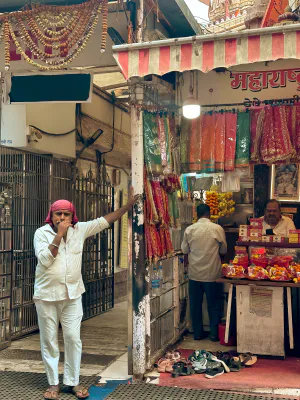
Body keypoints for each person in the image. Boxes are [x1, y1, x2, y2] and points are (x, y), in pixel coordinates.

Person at [33, 188, 138, 400]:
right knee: (49, 340)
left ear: (73, 217)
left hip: (72, 295)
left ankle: (72, 381)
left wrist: (127, 206)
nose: (62, 218)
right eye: (58, 214)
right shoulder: (41, 233)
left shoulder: (80, 230)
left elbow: (105, 220)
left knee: (73, 338)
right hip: (46, 296)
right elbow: (45, 259)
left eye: (66, 214)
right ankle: (53, 383)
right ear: (51, 216)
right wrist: (60, 235)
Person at [181, 204, 227, 342]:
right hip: (212, 273)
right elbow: (223, 249)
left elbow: (184, 250)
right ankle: (214, 334)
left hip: (194, 274)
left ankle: (197, 333)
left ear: (196, 213)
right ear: (209, 213)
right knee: (214, 305)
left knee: (195, 305)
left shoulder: (190, 230)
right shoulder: (217, 229)